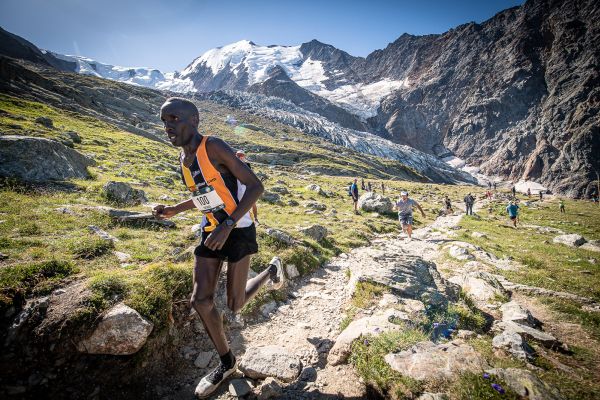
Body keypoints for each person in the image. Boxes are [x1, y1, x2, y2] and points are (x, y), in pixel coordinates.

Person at [153, 98, 285, 398]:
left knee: (235, 304)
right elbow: (209, 197)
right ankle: (226, 362)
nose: (167, 126)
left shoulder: (213, 147)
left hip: (237, 230)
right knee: (201, 301)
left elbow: (255, 187)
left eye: (173, 118)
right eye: (164, 120)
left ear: (194, 120)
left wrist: (228, 226)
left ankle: (271, 270)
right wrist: (176, 208)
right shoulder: (184, 161)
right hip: (211, 230)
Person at [235, 150, 259, 224]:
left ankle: (255, 218)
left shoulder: (247, 165)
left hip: (246, 185)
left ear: (244, 156)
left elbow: (250, 175)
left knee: (252, 202)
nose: (239, 157)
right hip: (237, 184)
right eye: (238, 155)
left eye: (241, 155)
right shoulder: (233, 164)